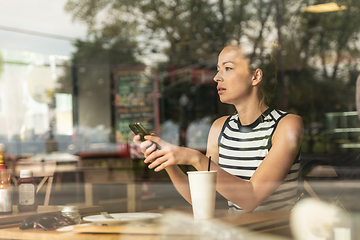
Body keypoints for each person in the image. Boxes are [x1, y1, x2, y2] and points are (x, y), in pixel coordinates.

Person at [133, 42, 304, 212]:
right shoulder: (220, 127)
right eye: (218, 69)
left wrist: (195, 158)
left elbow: (251, 198)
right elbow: (202, 199)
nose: (216, 77)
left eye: (227, 68)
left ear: (255, 77)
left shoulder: (287, 125)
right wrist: (166, 158)